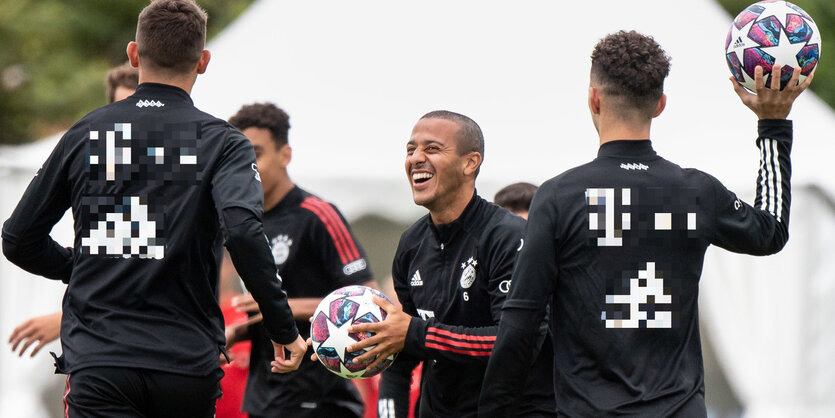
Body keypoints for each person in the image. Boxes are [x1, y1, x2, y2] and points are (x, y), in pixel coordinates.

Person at [478, 30, 812, 417]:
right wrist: (773, 124)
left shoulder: (559, 196)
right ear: (661, 105)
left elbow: (521, 322)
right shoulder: (695, 191)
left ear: (593, 98)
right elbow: (770, 230)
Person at [1, 1, 306, 416]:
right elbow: (243, 232)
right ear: (203, 61)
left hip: (101, 361)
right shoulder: (226, 142)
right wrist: (282, 328)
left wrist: (82, 265)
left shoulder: (86, 132)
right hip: (185, 367)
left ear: (133, 53)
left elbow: (18, 239)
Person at [343, 110, 556, 417]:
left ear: (470, 162)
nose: (416, 158)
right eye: (410, 149)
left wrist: (418, 334)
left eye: (432, 148)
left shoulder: (508, 237)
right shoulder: (411, 244)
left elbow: (515, 342)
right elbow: (399, 355)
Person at [224, 102, 373, 417]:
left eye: (257, 154)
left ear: (285, 154)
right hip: (264, 397)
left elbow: (369, 300)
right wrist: (242, 331)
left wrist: (279, 306)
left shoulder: (318, 215)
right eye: (239, 157)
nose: (247, 166)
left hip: (319, 397)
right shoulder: (242, 224)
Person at [7, 61, 139, 359]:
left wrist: (67, 312)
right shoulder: (88, 165)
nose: (132, 120)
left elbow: (141, 277)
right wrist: (76, 271)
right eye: (122, 107)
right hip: (98, 349)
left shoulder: (175, 178)